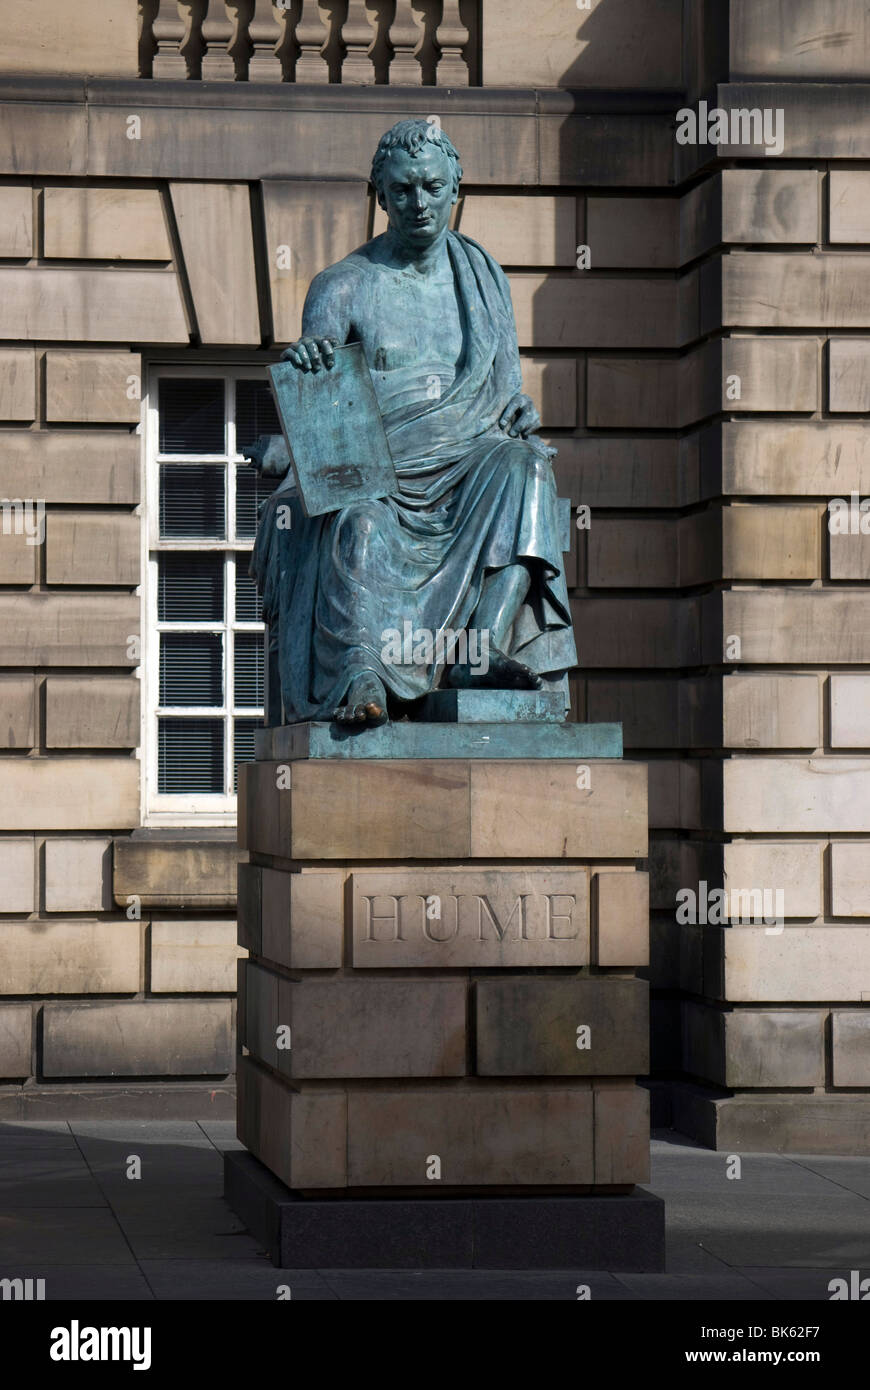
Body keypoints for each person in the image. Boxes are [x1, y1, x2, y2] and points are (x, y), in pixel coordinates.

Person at [248, 118, 576, 726]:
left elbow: (506, 398)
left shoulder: (483, 279)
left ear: (455, 190)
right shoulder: (341, 286)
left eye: (431, 187)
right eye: (402, 190)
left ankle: (484, 647)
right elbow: (321, 376)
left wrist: (521, 413)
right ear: (380, 195)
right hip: (381, 471)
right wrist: (311, 354)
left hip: (469, 460)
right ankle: (363, 678)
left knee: (526, 467)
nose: (418, 204)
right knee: (360, 523)